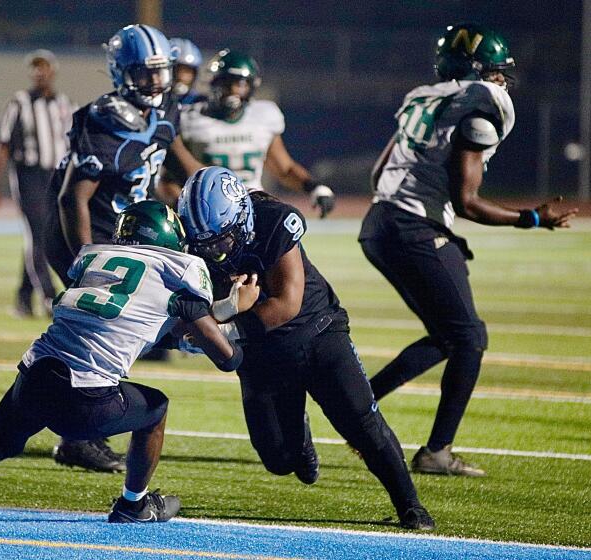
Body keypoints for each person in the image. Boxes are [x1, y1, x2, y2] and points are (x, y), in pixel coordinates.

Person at [0, 200, 246, 524]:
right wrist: (235, 311)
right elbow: (228, 359)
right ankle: (134, 505)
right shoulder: (179, 269)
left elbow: (133, 321)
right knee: (156, 408)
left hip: (36, 375)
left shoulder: (94, 259)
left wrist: (190, 337)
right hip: (87, 401)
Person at [359, 24, 577, 477]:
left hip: (379, 222)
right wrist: (533, 218)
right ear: (477, 71)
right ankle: (436, 451)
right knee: (470, 338)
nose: (502, 81)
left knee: (449, 335)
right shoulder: (479, 109)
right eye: (496, 73)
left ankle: (355, 406)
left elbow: (380, 171)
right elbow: (468, 201)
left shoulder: (425, 97)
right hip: (413, 226)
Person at [177, 166, 435, 530]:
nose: (216, 253)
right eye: (206, 245)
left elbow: (286, 304)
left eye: (222, 240)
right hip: (260, 351)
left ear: (242, 217)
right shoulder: (192, 240)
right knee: (279, 460)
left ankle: (411, 506)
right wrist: (220, 314)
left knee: (361, 422)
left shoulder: (274, 220)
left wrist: (224, 324)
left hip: (316, 332)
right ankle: (299, 433)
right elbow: (188, 313)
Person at [44, 24, 202, 472]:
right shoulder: (104, 118)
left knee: (117, 331)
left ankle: (78, 430)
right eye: (144, 73)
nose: (155, 82)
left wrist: (212, 184)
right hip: (80, 231)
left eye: (160, 71)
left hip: (122, 231)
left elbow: (174, 149)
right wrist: (85, 260)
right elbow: (71, 197)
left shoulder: (166, 103)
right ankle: (76, 435)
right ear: (121, 73)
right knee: (95, 333)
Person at [160, 49, 334, 218]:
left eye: (240, 84)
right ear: (213, 83)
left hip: (255, 203)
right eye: (226, 83)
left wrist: (314, 187)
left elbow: (285, 169)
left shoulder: (263, 116)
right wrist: (185, 209)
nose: (233, 91)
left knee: (288, 230)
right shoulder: (189, 119)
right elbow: (169, 179)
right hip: (209, 209)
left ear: (251, 86)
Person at [0, 49, 73, 317]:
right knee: (38, 234)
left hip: (56, 176)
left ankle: (23, 297)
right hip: (29, 175)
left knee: (44, 235)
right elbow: (2, 146)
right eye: (35, 67)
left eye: (43, 66)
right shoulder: (19, 103)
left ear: (53, 70)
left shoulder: (65, 104)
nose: (39, 72)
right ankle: (49, 296)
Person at [169, 38, 206, 105]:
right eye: (178, 70)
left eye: (188, 72)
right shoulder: (156, 100)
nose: (183, 77)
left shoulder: (198, 102)